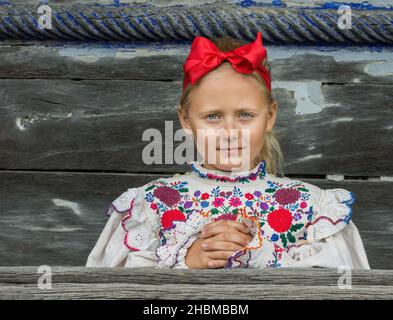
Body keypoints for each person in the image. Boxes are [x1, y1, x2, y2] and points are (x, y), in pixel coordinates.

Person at [85, 32, 370, 269]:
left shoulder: (313, 208)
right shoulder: (151, 203)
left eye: (245, 115)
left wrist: (261, 258)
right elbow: (116, 287)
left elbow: (336, 288)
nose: (230, 131)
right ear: (186, 119)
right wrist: (187, 261)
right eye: (212, 116)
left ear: (270, 116)